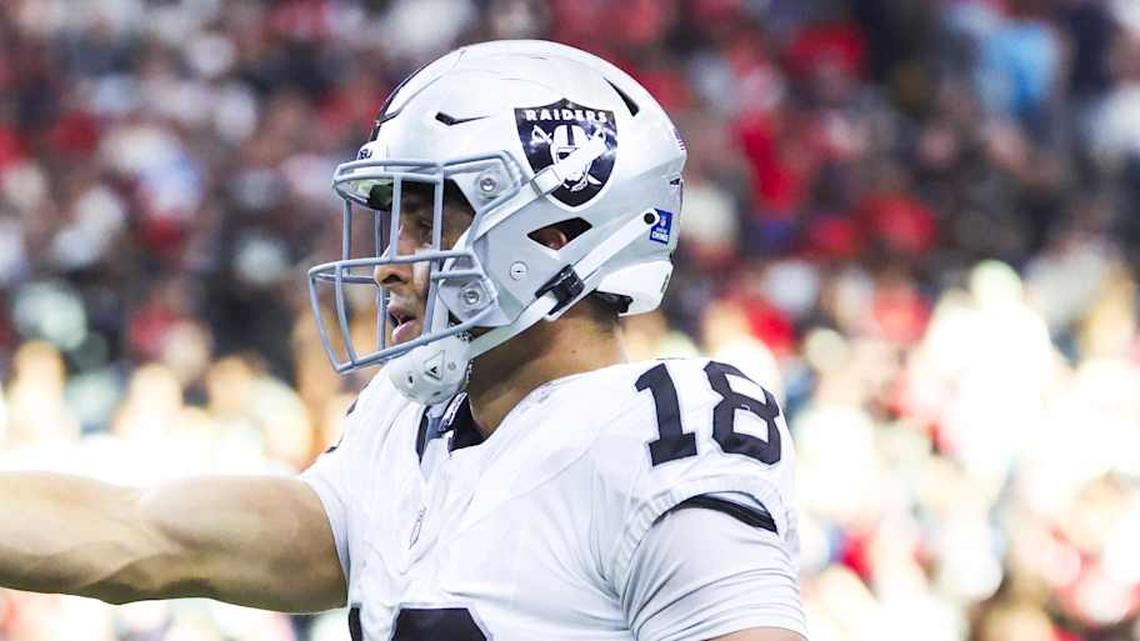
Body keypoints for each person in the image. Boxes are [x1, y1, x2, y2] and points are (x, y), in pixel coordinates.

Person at [0, 40, 806, 641]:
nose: (390, 265)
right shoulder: (405, 428)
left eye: (427, 219)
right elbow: (138, 534)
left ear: (556, 232)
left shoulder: (662, 433)